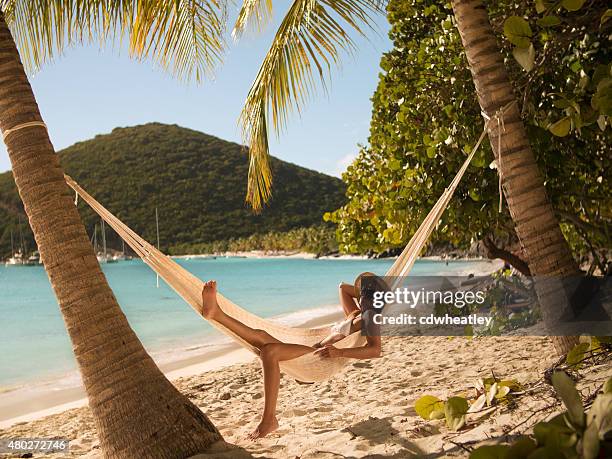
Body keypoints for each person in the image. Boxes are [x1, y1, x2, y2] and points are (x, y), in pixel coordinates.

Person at [200, 272, 387, 440]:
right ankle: (217, 314)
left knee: (269, 351)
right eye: (362, 293)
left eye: (368, 294)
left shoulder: (371, 317)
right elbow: (343, 288)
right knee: (262, 336)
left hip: (322, 361)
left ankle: (269, 420)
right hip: (311, 355)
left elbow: (375, 349)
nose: (363, 297)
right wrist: (363, 291)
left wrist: (340, 352)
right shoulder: (354, 314)